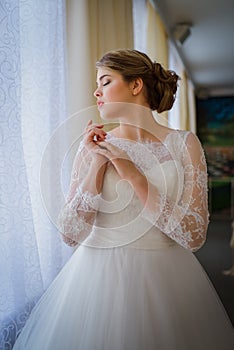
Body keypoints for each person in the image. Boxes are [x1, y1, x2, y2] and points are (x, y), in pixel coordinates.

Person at [13, 49, 234, 349]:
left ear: (136, 85)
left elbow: (194, 236)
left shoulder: (184, 144)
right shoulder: (91, 147)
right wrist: (96, 165)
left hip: (166, 281)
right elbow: (69, 233)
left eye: (105, 81)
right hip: (93, 285)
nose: (96, 91)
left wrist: (135, 177)